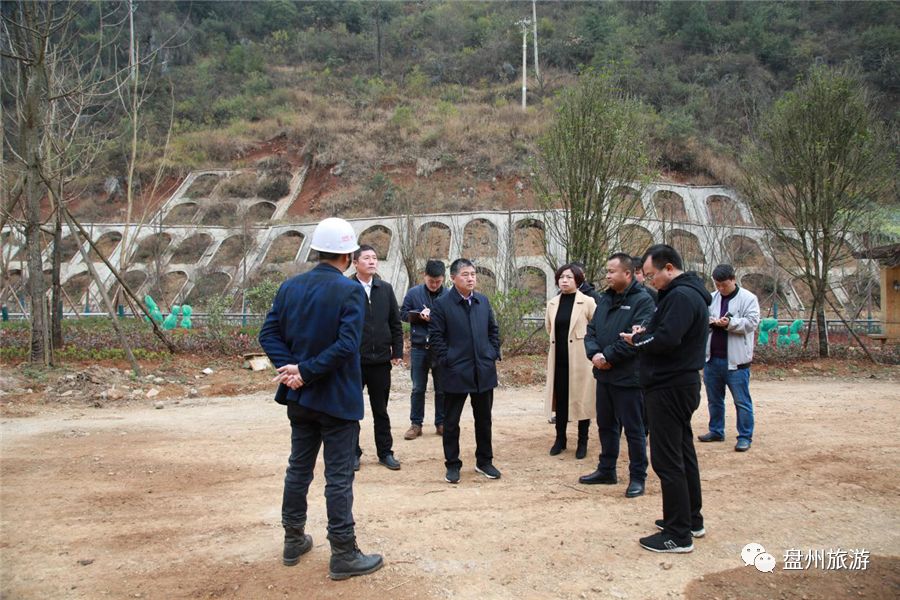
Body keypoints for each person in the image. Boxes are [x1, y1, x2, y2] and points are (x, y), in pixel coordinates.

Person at [258, 217, 383, 580]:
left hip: (300, 398)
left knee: (299, 468)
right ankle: (343, 552)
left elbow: (268, 333)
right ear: (348, 254)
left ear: (317, 249)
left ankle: (293, 538)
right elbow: (347, 346)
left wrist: (291, 370)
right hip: (337, 398)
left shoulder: (290, 287)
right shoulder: (350, 292)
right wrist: (306, 370)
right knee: (338, 477)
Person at [621, 244, 711, 554]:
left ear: (669, 268)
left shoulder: (682, 297)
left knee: (667, 459)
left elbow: (668, 339)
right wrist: (647, 331)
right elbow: (667, 332)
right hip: (676, 384)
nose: (649, 281)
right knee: (682, 453)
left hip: (669, 386)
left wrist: (639, 339)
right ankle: (690, 519)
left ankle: (677, 534)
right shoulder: (680, 295)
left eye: (651, 275)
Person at [580, 254, 655, 498]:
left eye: (612, 271)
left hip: (629, 378)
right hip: (604, 376)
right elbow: (590, 332)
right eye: (607, 271)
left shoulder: (643, 302)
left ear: (628, 273)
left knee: (634, 430)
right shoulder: (604, 300)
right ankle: (607, 469)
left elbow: (635, 341)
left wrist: (607, 357)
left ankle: (637, 477)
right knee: (606, 425)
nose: (607, 276)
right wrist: (594, 355)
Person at [428, 258, 502, 484]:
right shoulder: (442, 304)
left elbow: (493, 330)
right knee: (451, 422)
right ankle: (452, 464)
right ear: (453, 278)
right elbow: (437, 337)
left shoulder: (482, 301)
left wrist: (490, 353)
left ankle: (484, 461)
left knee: (484, 420)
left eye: (473, 274)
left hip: (483, 371)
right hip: (455, 372)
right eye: (465, 275)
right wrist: (448, 359)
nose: (471, 278)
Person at [351, 245, 403, 470]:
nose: (372, 261)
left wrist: (397, 352)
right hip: (353, 361)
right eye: (366, 258)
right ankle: (352, 453)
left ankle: (385, 452)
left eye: (374, 257)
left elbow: (395, 323)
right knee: (351, 410)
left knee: (380, 409)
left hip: (381, 361)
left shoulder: (386, 289)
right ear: (355, 263)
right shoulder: (346, 289)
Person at [699, 264, 761, 452]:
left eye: (724, 285)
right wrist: (710, 322)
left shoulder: (748, 298)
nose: (720, 288)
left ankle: (744, 436)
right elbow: (703, 318)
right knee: (714, 399)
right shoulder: (712, 298)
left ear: (733, 280)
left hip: (737, 361)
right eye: (717, 284)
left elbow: (751, 323)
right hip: (712, 359)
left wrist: (729, 323)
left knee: (741, 401)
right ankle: (716, 430)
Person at [544, 263, 597, 458]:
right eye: (561, 277)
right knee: (561, 399)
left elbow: (596, 328)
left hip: (581, 360)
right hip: (559, 359)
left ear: (578, 281)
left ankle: (583, 441)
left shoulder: (588, 302)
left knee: (582, 399)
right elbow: (549, 329)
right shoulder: (552, 303)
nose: (564, 281)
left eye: (569, 277)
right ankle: (560, 439)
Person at [400, 260, 447, 439]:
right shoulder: (413, 293)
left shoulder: (449, 295)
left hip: (440, 348)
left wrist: (433, 318)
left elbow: (452, 319)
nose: (434, 285)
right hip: (419, 347)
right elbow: (403, 314)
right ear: (424, 276)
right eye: (431, 281)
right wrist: (419, 316)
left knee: (442, 388)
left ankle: (441, 423)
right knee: (418, 388)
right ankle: (416, 424)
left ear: (443, 279)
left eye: (438, 282)